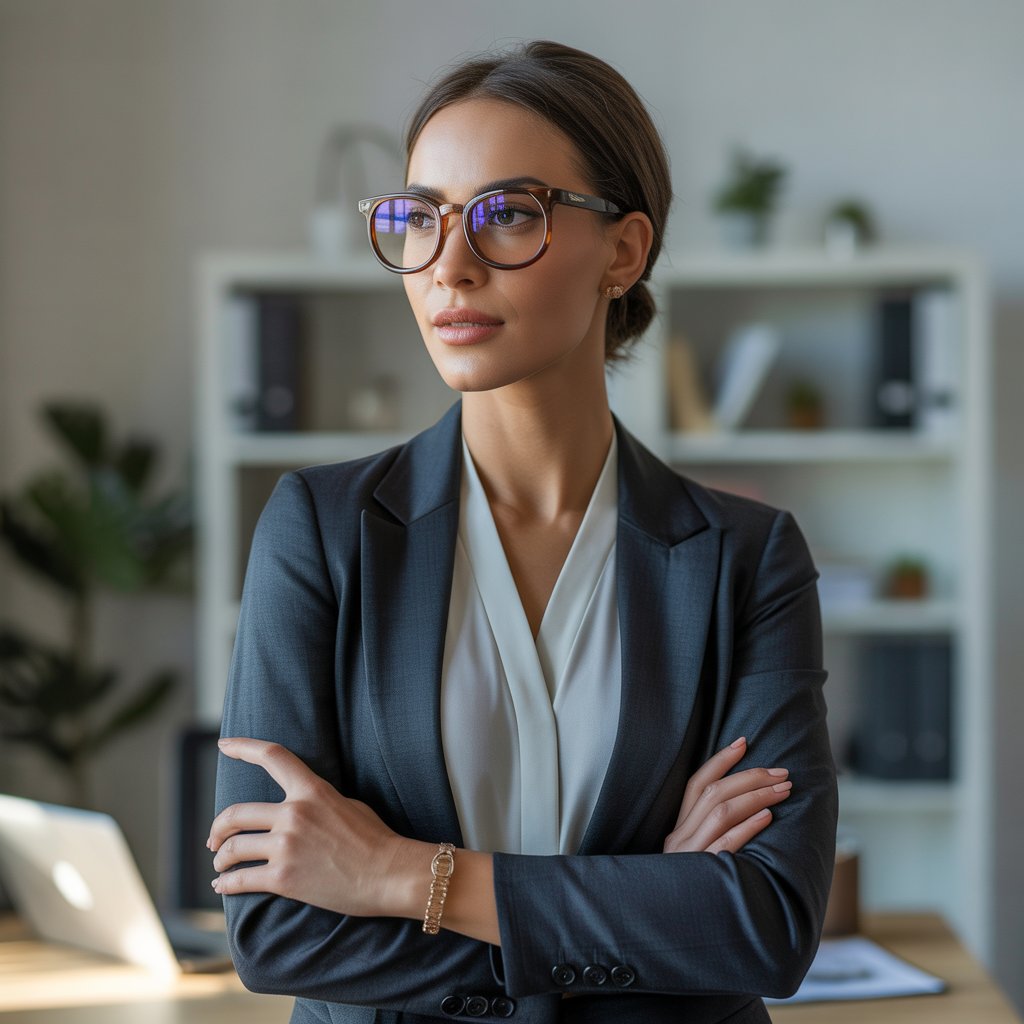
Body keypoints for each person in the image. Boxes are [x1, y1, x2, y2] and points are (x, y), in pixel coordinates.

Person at [209, 39, 837, 1024]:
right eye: (420, 218)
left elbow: (766, 924)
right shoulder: (320, 531)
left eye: (507, 214)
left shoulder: (747, 558)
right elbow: (278, 931)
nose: (450, 267)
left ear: (623, 252)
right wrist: (646, 902)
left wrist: (402, 874)